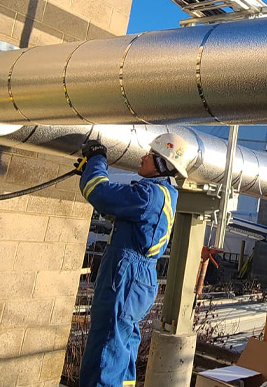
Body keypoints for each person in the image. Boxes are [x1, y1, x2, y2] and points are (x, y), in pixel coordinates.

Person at [76, 133, 194, 387]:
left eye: (150, 155)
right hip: (139, 277)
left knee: (106, 348)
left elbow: (100, 193)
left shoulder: (148, 194)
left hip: (126, 274)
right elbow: (118, 211)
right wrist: (90, 170)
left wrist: (97, 159)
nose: (142, 157)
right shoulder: (164, 194)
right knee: (123, 344)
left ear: (162, 164)